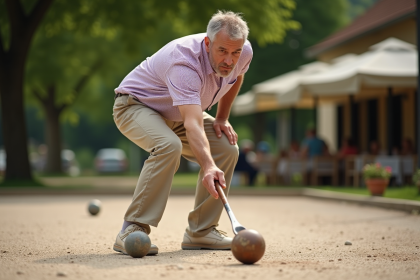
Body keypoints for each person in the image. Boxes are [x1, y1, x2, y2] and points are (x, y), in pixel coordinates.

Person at [112, 11, 252, 256]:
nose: (229, 60)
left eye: (235, 52)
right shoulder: (185, 61)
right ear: (208, 43)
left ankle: (202, 231)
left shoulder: (243, 52)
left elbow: (236, 77)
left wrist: (222, 117)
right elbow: (193, 124)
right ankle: (131, 229)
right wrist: (208, 166)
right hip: (136, 106)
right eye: (222, 51)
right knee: (169, 145)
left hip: (178, 113)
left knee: (226, 148)